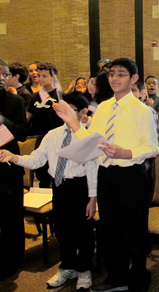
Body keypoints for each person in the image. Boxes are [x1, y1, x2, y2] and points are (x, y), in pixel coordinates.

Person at [54, 58, 159, 292]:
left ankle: (138, 277)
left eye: (121, 74)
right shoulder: (102, 108)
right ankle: (116, 277)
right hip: (107, 174)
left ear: (133, 79)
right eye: (112, 74)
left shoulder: (143, 111)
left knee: (133, 228)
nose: (114, 79)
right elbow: (91, 141)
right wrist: (73, 122)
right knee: (109, 228)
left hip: (132, 174)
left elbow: (153, 148)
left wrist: (126, 152)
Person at [0, 92, 98, 290]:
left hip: (80, 187)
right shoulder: (53, 135)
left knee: (83, 231)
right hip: (59, 187)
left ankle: (84, 269)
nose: (64, 114)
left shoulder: (88, 135)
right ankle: (67, 266)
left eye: (69, 110)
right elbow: (37, 160)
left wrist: (93, 198)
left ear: (83, 112)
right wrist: (14, 157)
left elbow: (93, 168)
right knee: (62, 229)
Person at [0, 59, 27, 281]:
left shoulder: (15, 101)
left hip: (8, 166)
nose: (2, 78)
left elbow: (22, 133)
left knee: (11, 215)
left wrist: (3, 121)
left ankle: (14, 260)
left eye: (5, 74)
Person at [27, 62, 64, 188]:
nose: (41, 79)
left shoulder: (61, 96)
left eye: (44, 76)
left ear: (53, 77)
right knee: (42, 174)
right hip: (40, 139)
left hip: (56, 139)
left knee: (55, 173)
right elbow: (28, 116)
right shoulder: (36, 97)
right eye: (39, 76)